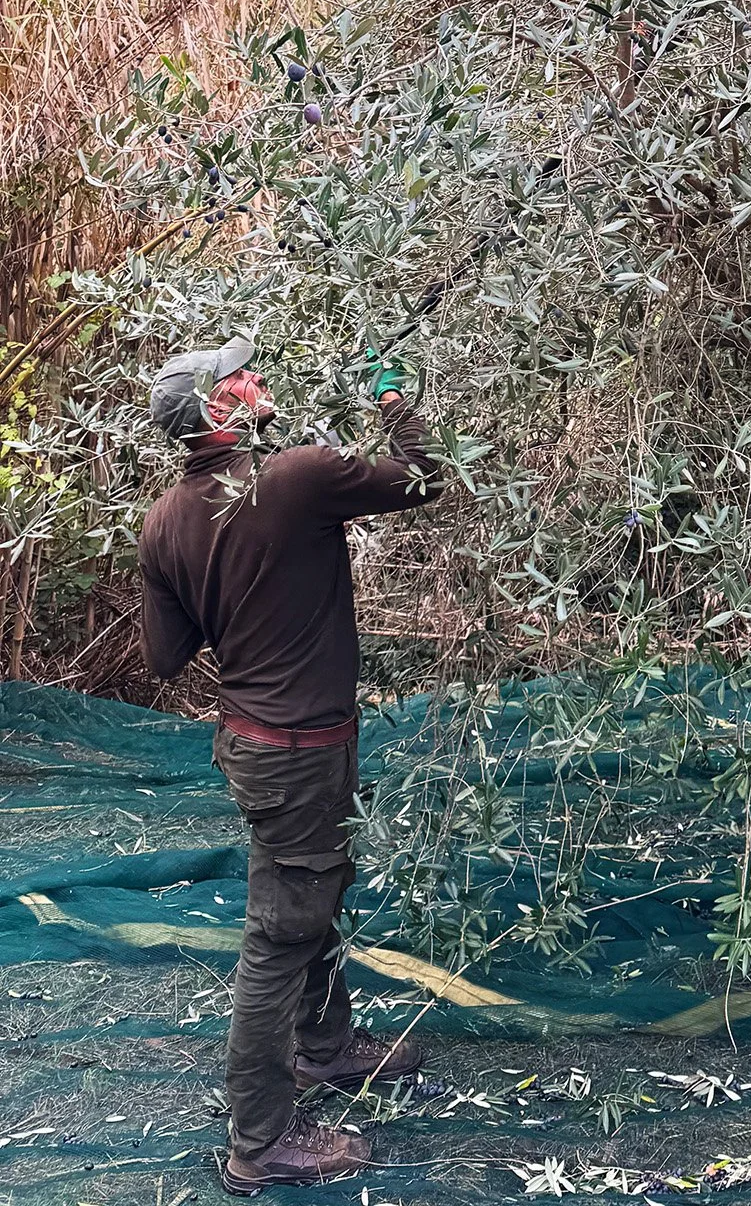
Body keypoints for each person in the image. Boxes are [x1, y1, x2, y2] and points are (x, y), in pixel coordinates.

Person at [139, 336, 442, 1194]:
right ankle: (260, 1142)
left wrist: (234, 596)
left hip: (258, 745)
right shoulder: (297, 476)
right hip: (299, 752)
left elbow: (166, 657)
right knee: (279, 937)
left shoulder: (165, 519)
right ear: (219, 409)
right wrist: (394, 405)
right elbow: (426, 475)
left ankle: (327, 1048)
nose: (257, 378)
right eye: (240, 376)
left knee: (313, 897)